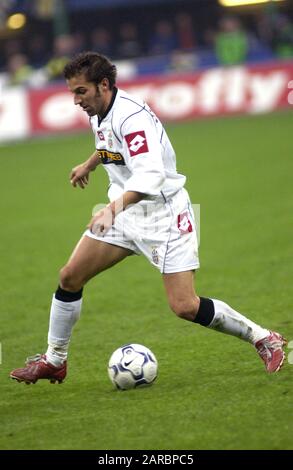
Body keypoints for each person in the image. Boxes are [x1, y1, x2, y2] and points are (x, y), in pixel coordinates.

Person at [10, 52, 286, 385]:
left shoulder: (132, 117)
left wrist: (111, 210)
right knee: (70, 276)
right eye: (72, 93)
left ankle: (264, 338)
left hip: (164, 215)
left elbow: (151, 177)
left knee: (184, 305)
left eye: (80, 92)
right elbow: (110, 144)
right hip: (126, 212)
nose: (76, 100)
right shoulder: (99, 110)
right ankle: (54, 360)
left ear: (104, 85)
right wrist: (90, 164)